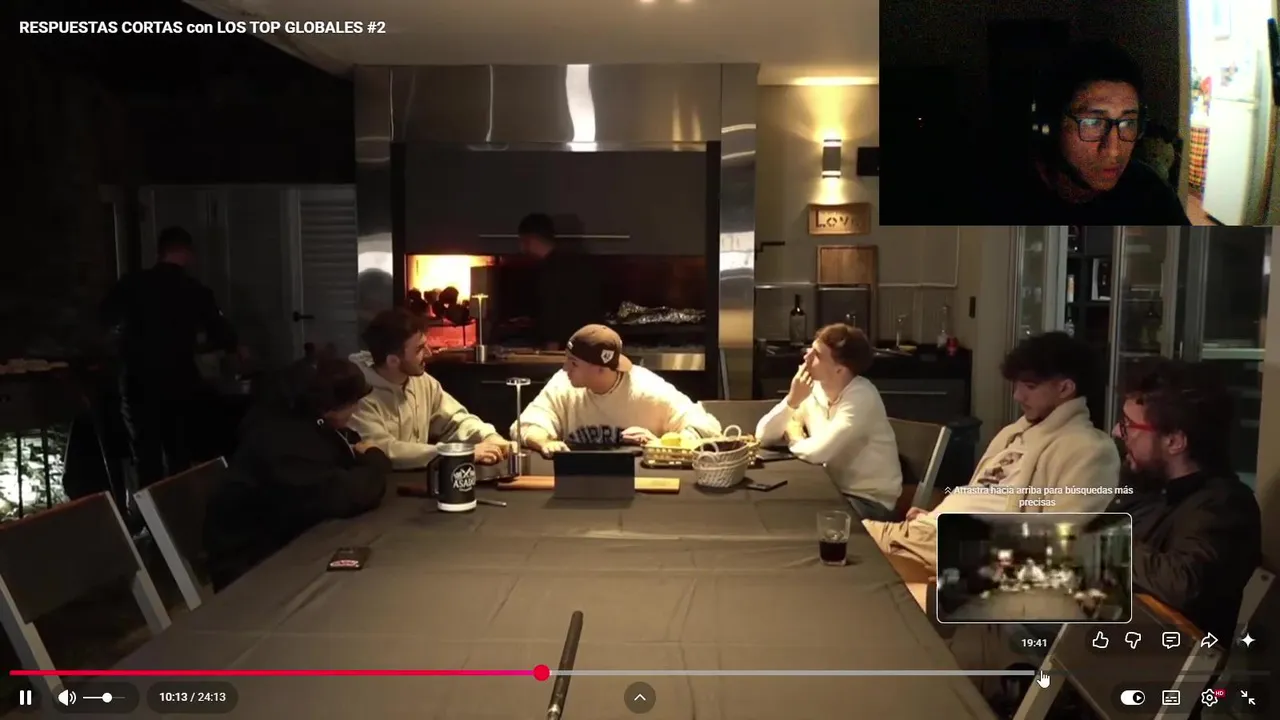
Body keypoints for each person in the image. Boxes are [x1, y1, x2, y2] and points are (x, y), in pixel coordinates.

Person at [863, 332, 1121, 572]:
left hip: (969, 553)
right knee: (846, 537)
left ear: (1065, 388)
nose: (1017, 396)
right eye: (1017, 385)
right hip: (929, 533)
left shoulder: (1090, 450)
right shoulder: (1015, 432)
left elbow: (1061, 540)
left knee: (849, 541)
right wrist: (936, 516)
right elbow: (983, 495)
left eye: (1030, 387)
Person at [203, 357, 390, 590]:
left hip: (288, 543)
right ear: (329, 407)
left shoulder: (300, 423)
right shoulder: (284, 444)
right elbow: (343, 494)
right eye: (353, 403)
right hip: (254, 571)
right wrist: (375, 461)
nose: (357, 410)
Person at [1109, 359, 1260, 642]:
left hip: (1154, 657)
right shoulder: (1149, 485)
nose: (1117, 432)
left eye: (1128, 425)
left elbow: (1184, 584)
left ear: (1174, 442)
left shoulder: (1225, 505)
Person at [101, 226, 240, 490]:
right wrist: (199, 347)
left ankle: (147, 506)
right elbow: (223, 335)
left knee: (145, 453)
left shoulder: (131, 284)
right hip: (179, 378)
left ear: (159, 252)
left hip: (138, 379)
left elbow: (105, 320)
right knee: (179, 450)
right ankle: (178, 505)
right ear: (187, 253)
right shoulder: (195, 290)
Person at [991, 41, 1190, 225]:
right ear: (1049, 124)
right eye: (1093, 122)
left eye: (1128, 122)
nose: (1114, 151)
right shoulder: (998, 198)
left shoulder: (1151, 194)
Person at [755, 324, 902, 521]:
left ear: (840, 369)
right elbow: (762, 436)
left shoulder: (862, 396)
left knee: (795, 518)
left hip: (869, 501)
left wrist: (795, 437)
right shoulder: (813, 388)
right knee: (776, 506)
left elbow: (819, 452)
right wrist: (792, 401)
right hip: (832, 489)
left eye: (816, 355)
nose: (806, 356)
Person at [514, 324, 721, 455]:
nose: (565, 368)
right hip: (579, 482)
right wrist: (544, 442)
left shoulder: (648, 389)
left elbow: (707, 428)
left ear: (601, 369)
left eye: (574, 363)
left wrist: (659, 444)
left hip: (639, 489)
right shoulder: (563, 384)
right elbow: (523, 426)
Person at [347, 309, 510, 467]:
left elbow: (455, 419)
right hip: (382, 481)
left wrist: (487, 436)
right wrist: (460, 453)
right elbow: (385, 449)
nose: (429, 353)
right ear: (393, 361)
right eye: (419, 349)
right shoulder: (358, 395)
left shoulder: (424, 382)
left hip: (422, 477)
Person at [518, 213, 602, 349]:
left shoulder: (551, 271)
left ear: (532, 239)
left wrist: (551, 350)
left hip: (564, 348)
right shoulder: (576, 263)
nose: (521, 249)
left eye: (523, 242)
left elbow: (554, 314)